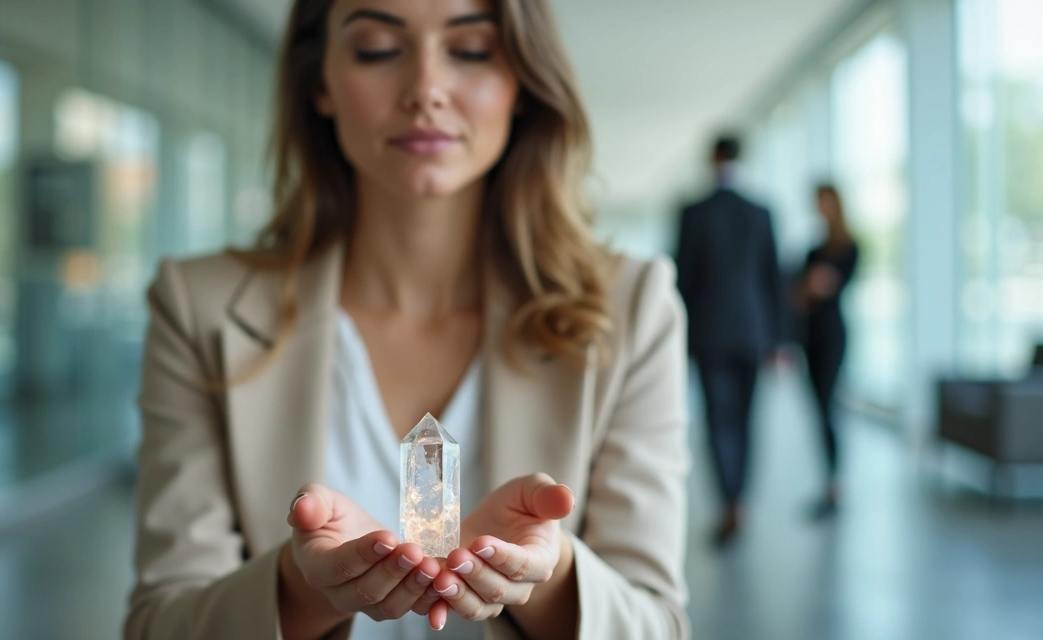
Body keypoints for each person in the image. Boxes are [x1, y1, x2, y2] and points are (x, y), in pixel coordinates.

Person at [124, 1, 691, 639]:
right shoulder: (197, 306)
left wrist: (551, 575)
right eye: (376, 48)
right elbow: (160, 626)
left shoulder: (632, 307)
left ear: (524, 83)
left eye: (472, 50)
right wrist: (298, 590)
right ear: (320, 82)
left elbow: (657, 625)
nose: (425, 90)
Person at [674, 135, 783, 545]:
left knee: (720, 419)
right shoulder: (761, 212)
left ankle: (729, 501)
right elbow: (774, 277)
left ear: (712, 158)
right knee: (747, 420)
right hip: (753, 331)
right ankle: (742, 501)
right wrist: (779, 340)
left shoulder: (694, 212)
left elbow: (682, 280)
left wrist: (678, 342)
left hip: (709, 332)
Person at [795, 184, 858, 520]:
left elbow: (830, 285)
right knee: (817, 409)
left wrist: (814, 285)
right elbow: (800, 292)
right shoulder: (813, 251)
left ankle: (835, 484)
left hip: (833, 335)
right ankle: (827, 482)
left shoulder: (849, 247)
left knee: (829, 405)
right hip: (810, 335)